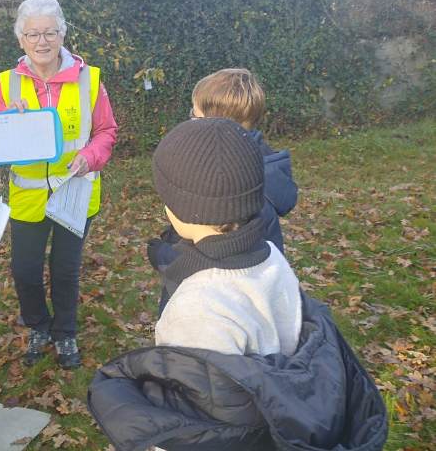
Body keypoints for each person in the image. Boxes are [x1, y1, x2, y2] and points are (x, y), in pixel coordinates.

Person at [87, 118, 388, 450]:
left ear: (181, 210)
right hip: (285, 415)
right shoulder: (271, 257)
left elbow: (195, 424)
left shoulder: (196, 308)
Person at [0, 0, 117, 369]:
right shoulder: (8, 84)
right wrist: (6, 121)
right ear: (20, 38)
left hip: (75, 192)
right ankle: (38, 326)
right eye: (33, 34)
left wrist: (90, 156)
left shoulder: (89, 79)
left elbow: (106, 131)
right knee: (25, 271)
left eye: (49, 33)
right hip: (28, 197)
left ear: (62, 34)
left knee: (65, 269)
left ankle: (65, 332)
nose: (42, 41)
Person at [149, 67, 298, 315]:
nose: (190, 121)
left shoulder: (236, 185)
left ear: (215, 129)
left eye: (195, 115)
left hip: (209, 310)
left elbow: (221, 260)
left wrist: (166, 257)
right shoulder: (235, 168)